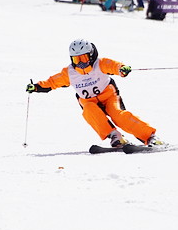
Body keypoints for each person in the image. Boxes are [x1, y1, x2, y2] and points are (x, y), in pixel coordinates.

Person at [26, 39, 162, 148]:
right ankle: (115, 136)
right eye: (76, 60)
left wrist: (122, 69)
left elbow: (114, 66)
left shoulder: (100, 63)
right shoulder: (69, 73)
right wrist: (36, 87)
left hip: (109, 96)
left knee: (118, 115)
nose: (80, 64)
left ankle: (150, 137)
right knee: (89, 110)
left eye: (83, 59)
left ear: (91, 56)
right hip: (89, 101)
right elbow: (52, 82)